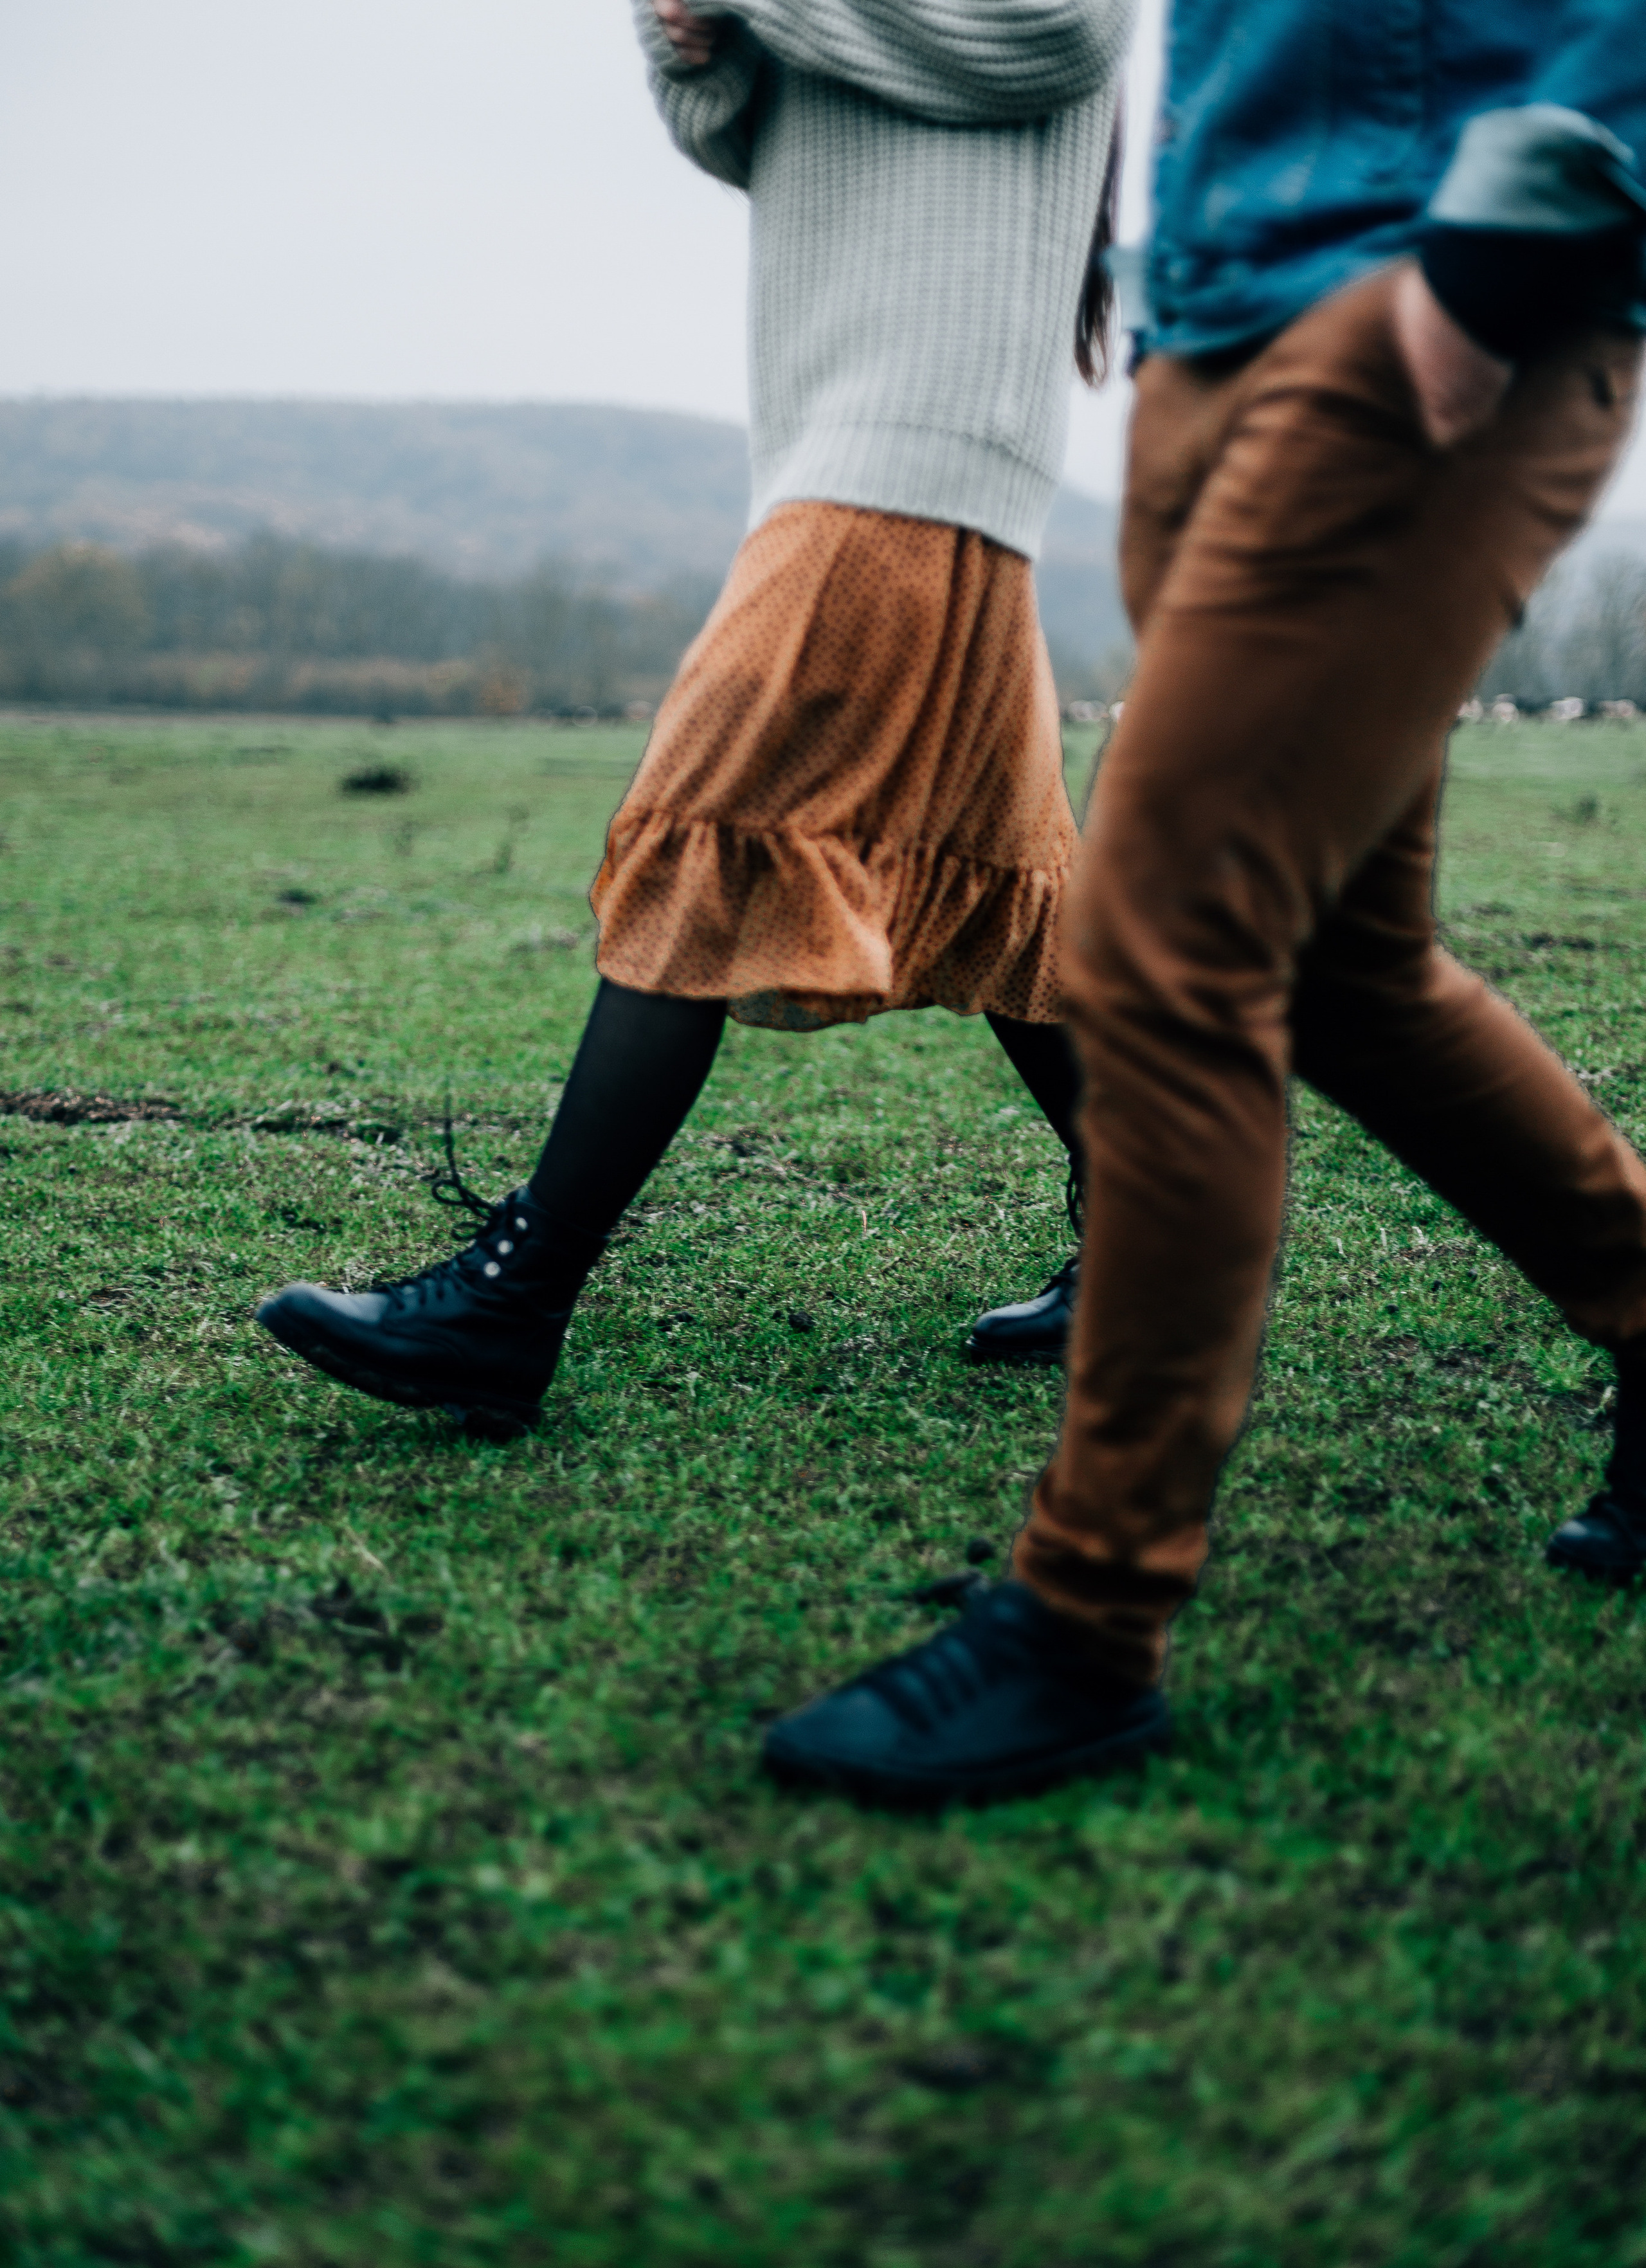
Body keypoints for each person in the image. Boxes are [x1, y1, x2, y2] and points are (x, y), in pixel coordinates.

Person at [764, 0, 1646, 1804]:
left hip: (1441, 271)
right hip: (1223, 295)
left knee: (1165, 935)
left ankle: (1088, 1619)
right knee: (1342, 967)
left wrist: (1509, 237)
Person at [254, 0, 1135, 1430]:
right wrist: (689, 42)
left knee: (703, 822)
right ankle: (1157, 1246)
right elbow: (740, 133)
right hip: (858, 436)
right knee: (1005, 882)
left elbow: (1054, 37)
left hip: (911, 441)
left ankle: (508, 1299)